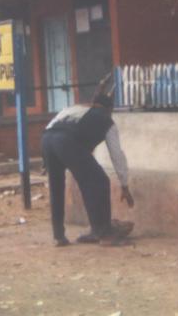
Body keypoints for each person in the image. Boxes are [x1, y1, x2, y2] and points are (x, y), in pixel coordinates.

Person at [41, 74, 134, 247]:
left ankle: (58, 236)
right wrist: (124, 184)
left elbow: (51, 128)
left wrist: (46, 162)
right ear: (109, 109)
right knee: (99, 181)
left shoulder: (73, 108)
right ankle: (104, 233)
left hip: (47, 139)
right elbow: (117, 155)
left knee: (57, 187)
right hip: (66, 142)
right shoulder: (106, 120)